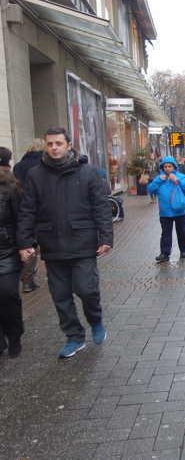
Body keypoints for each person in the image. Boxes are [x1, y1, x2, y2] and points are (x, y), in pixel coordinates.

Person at [17, 127, 113, 359]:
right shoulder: (36, 175)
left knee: (86, 289)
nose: (54, 148)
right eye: (50, 144)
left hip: (83, 242)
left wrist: (106, 237)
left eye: (58, 143)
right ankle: (74, 337)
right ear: (45, 146)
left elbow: (101, 207)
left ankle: (95, 320)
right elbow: (27, 210)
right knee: (60, 296)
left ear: (69, 145)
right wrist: (24, 242)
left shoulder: (87, 172)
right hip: (52, 244)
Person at [0, 147, 23, 358]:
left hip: (7, 251)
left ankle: (14, 335)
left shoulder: (12, 187)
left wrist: (25, 245)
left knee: (7, 294)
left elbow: (21, 219)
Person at [13, 138, 44, 293]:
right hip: (40, 209)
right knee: (37, 243)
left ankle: (27, 278)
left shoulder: (18, 166)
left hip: (22, 208)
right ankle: (28, 277)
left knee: (28, 243)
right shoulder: (43, 165)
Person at [147, 156, 185, 264]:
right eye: (165, 166)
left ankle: (183, 251)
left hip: (179, 210)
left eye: (169, 166)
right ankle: (165, 253)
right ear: (162, 167)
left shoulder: (181, 176)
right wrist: (158, 181)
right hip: (165, 212)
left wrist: (177, 180)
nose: (167, 168)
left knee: (182, 232)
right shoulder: (159, 178)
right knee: (166, 233)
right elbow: (150, 189)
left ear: (174, 167)